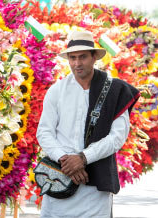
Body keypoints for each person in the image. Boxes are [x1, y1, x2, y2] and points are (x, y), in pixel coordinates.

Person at [36, 31, 140, 218]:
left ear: (94, 57)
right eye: (72, 57)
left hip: (95, 185)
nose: (77, 63)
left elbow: (117, 137)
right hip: (60, 177)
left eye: (83, 57)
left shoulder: (115, 90)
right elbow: (44, 133)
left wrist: (83, 158)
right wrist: (66, 161)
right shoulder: (56, 91)